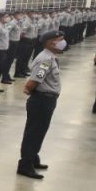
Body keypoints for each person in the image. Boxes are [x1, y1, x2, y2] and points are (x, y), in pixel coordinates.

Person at [17, 30, 66, 179]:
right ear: (51, 42)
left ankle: (33, 159)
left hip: (46, 99)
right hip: (42, 100)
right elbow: (33, 82)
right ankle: (25, 165)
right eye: (60, 39)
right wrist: (29, 89)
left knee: (39, 132)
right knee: (34, 133)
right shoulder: (45, 60)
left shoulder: (50, 57)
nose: (63, 42)